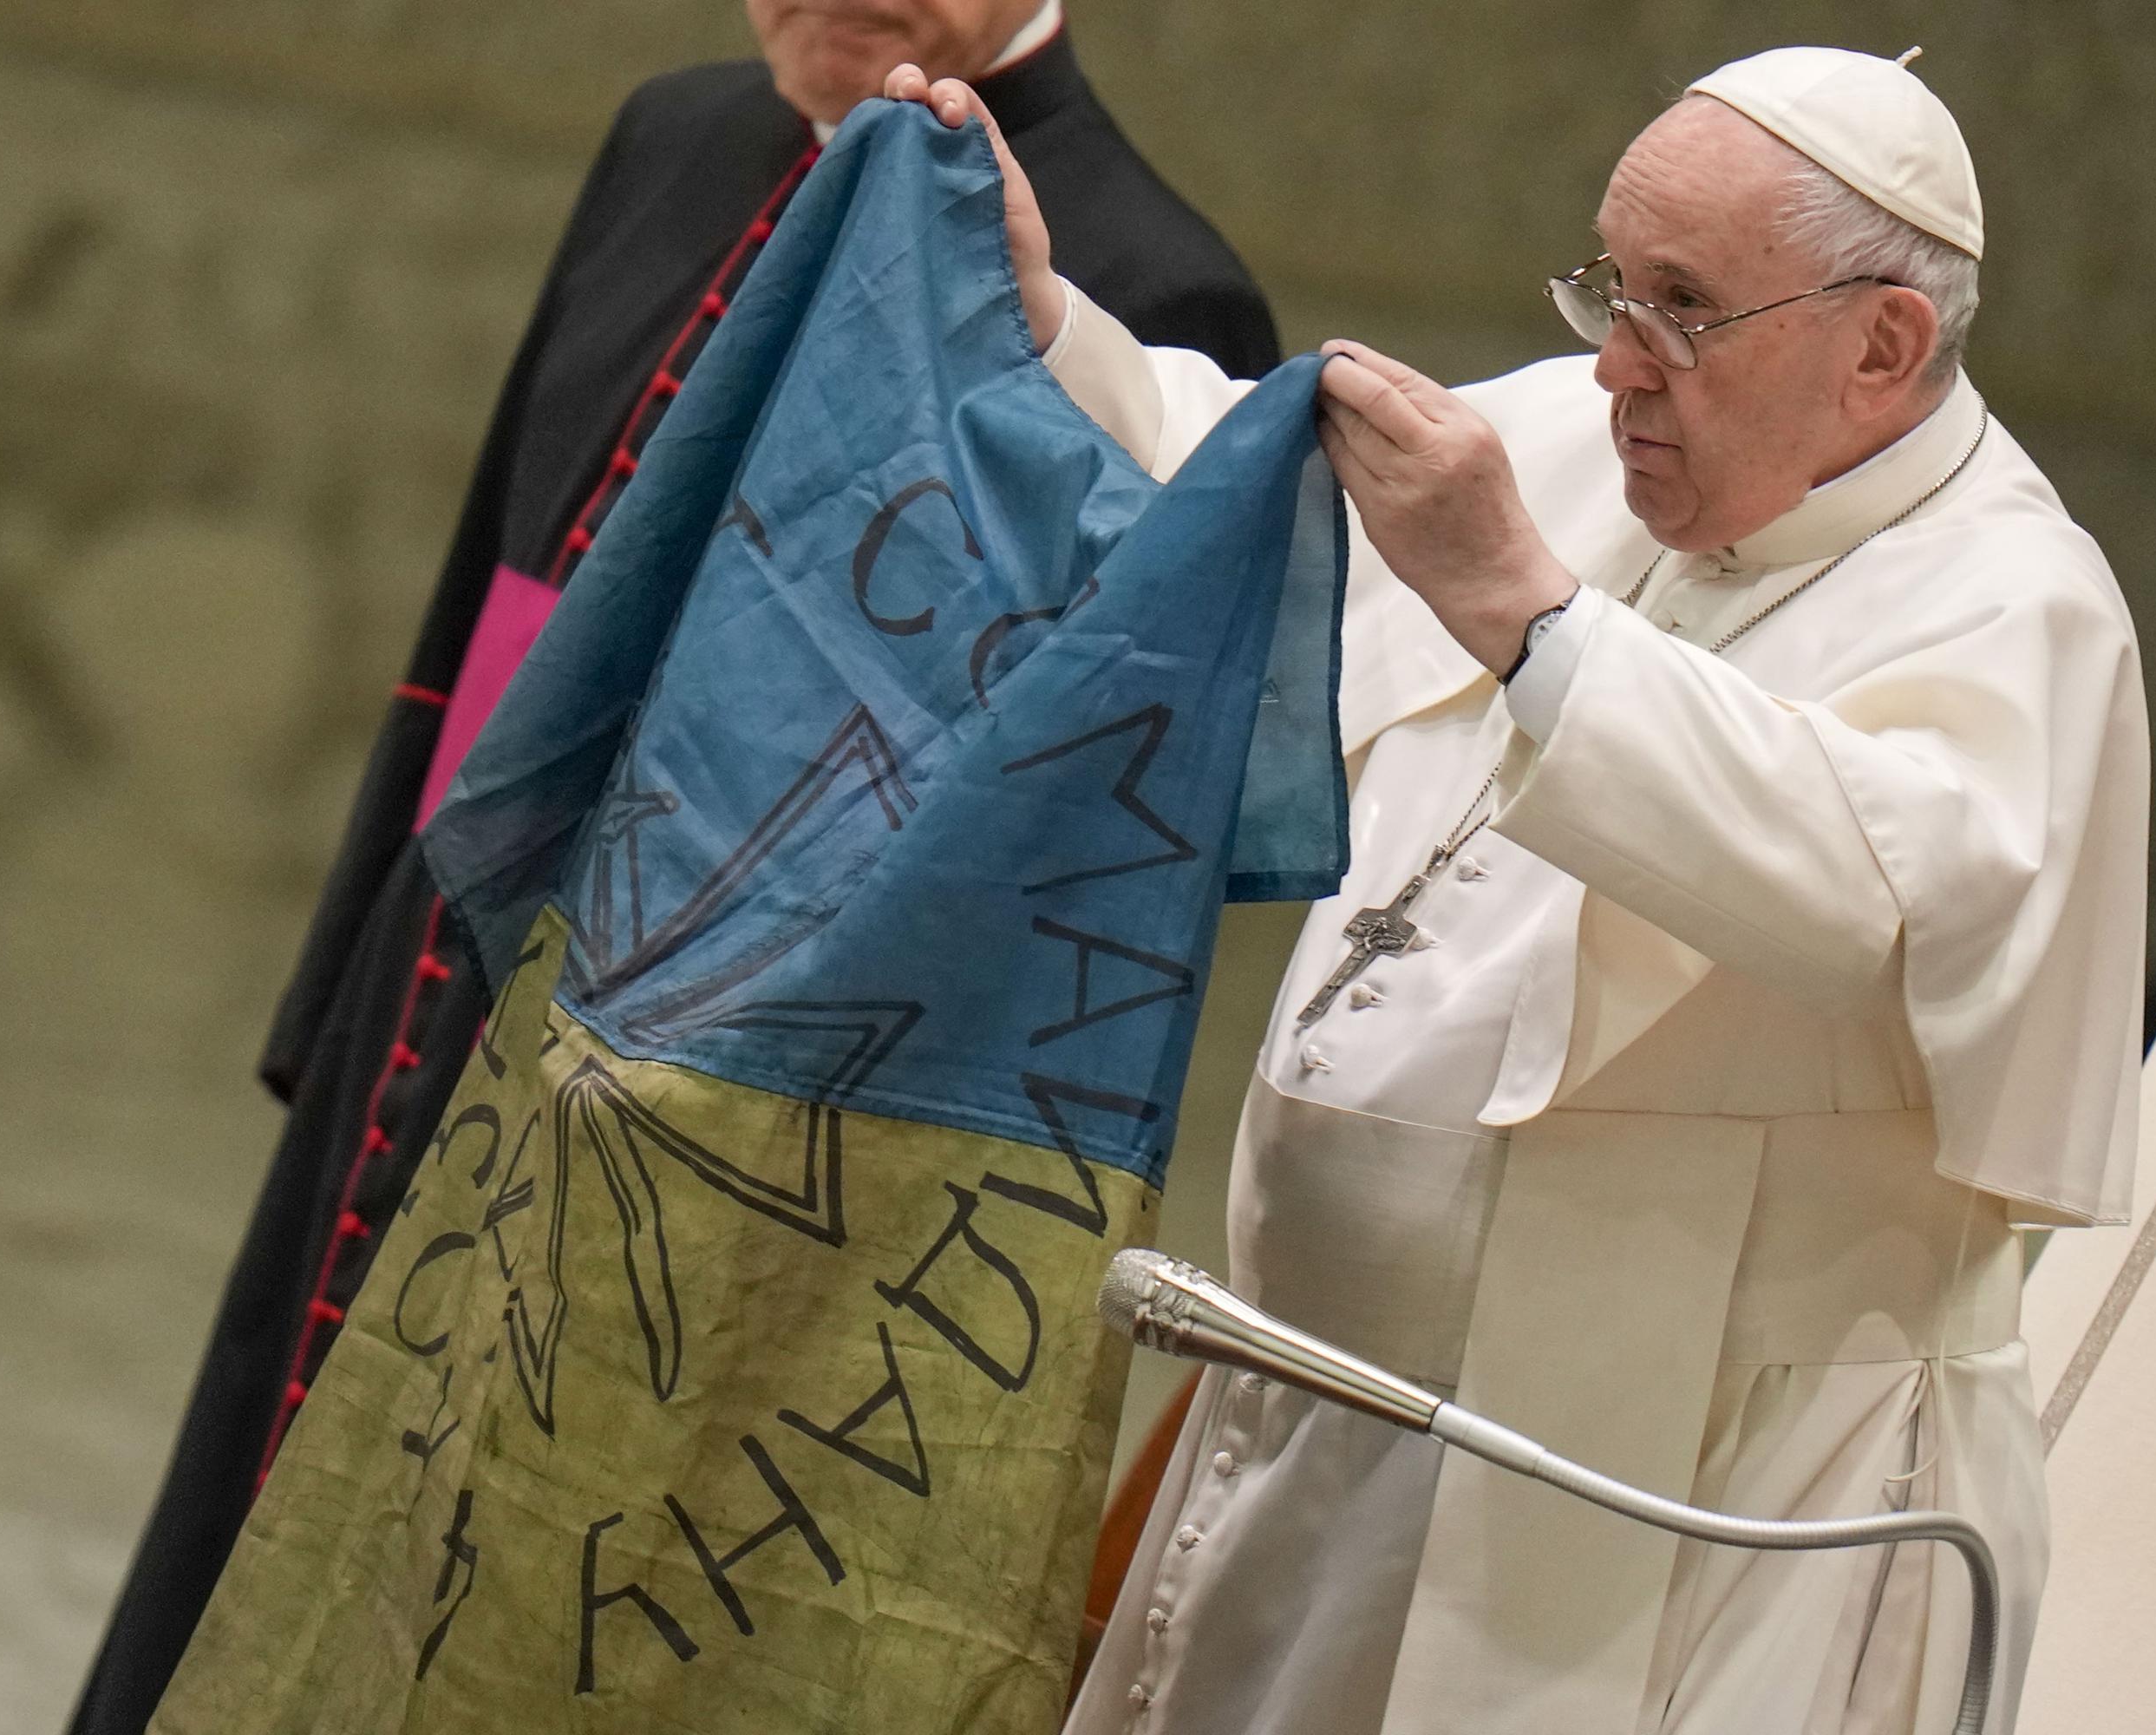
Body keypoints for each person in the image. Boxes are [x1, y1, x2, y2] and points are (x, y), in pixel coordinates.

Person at [893, 44, 2146, 1735]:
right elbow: (1250, 496)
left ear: (1882, 343)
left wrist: (1528, 616)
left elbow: (1866, 894)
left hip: (1692, 1486)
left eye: (1685, 307)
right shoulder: (1587, 431)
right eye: (1611, 289)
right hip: (1330, 1418)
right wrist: (1050, 323)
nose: (1617, 363)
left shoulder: (2019, 605)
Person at [67, 9, 1278, 1732]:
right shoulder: (676, 135)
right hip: (442, 977)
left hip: (709, 1105)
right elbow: (491, 579)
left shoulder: (1156, 285)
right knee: (241, 1524)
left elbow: (1059, 857)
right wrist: (352, 974)